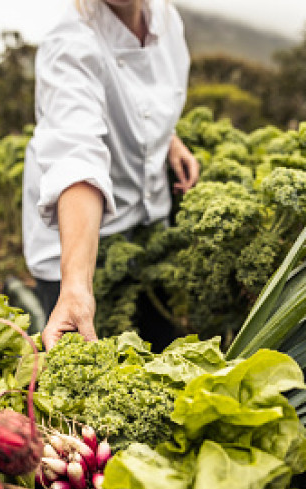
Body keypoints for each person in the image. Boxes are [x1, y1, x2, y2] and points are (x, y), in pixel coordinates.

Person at [21, 0, 200, 350]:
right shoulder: (70, 42)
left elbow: (146, 99)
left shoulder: (165, 19)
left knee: (159, 341)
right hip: (77, 239)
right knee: (93, 372)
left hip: (145, 221)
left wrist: (169, 140)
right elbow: (77, 155)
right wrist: (75, 286)